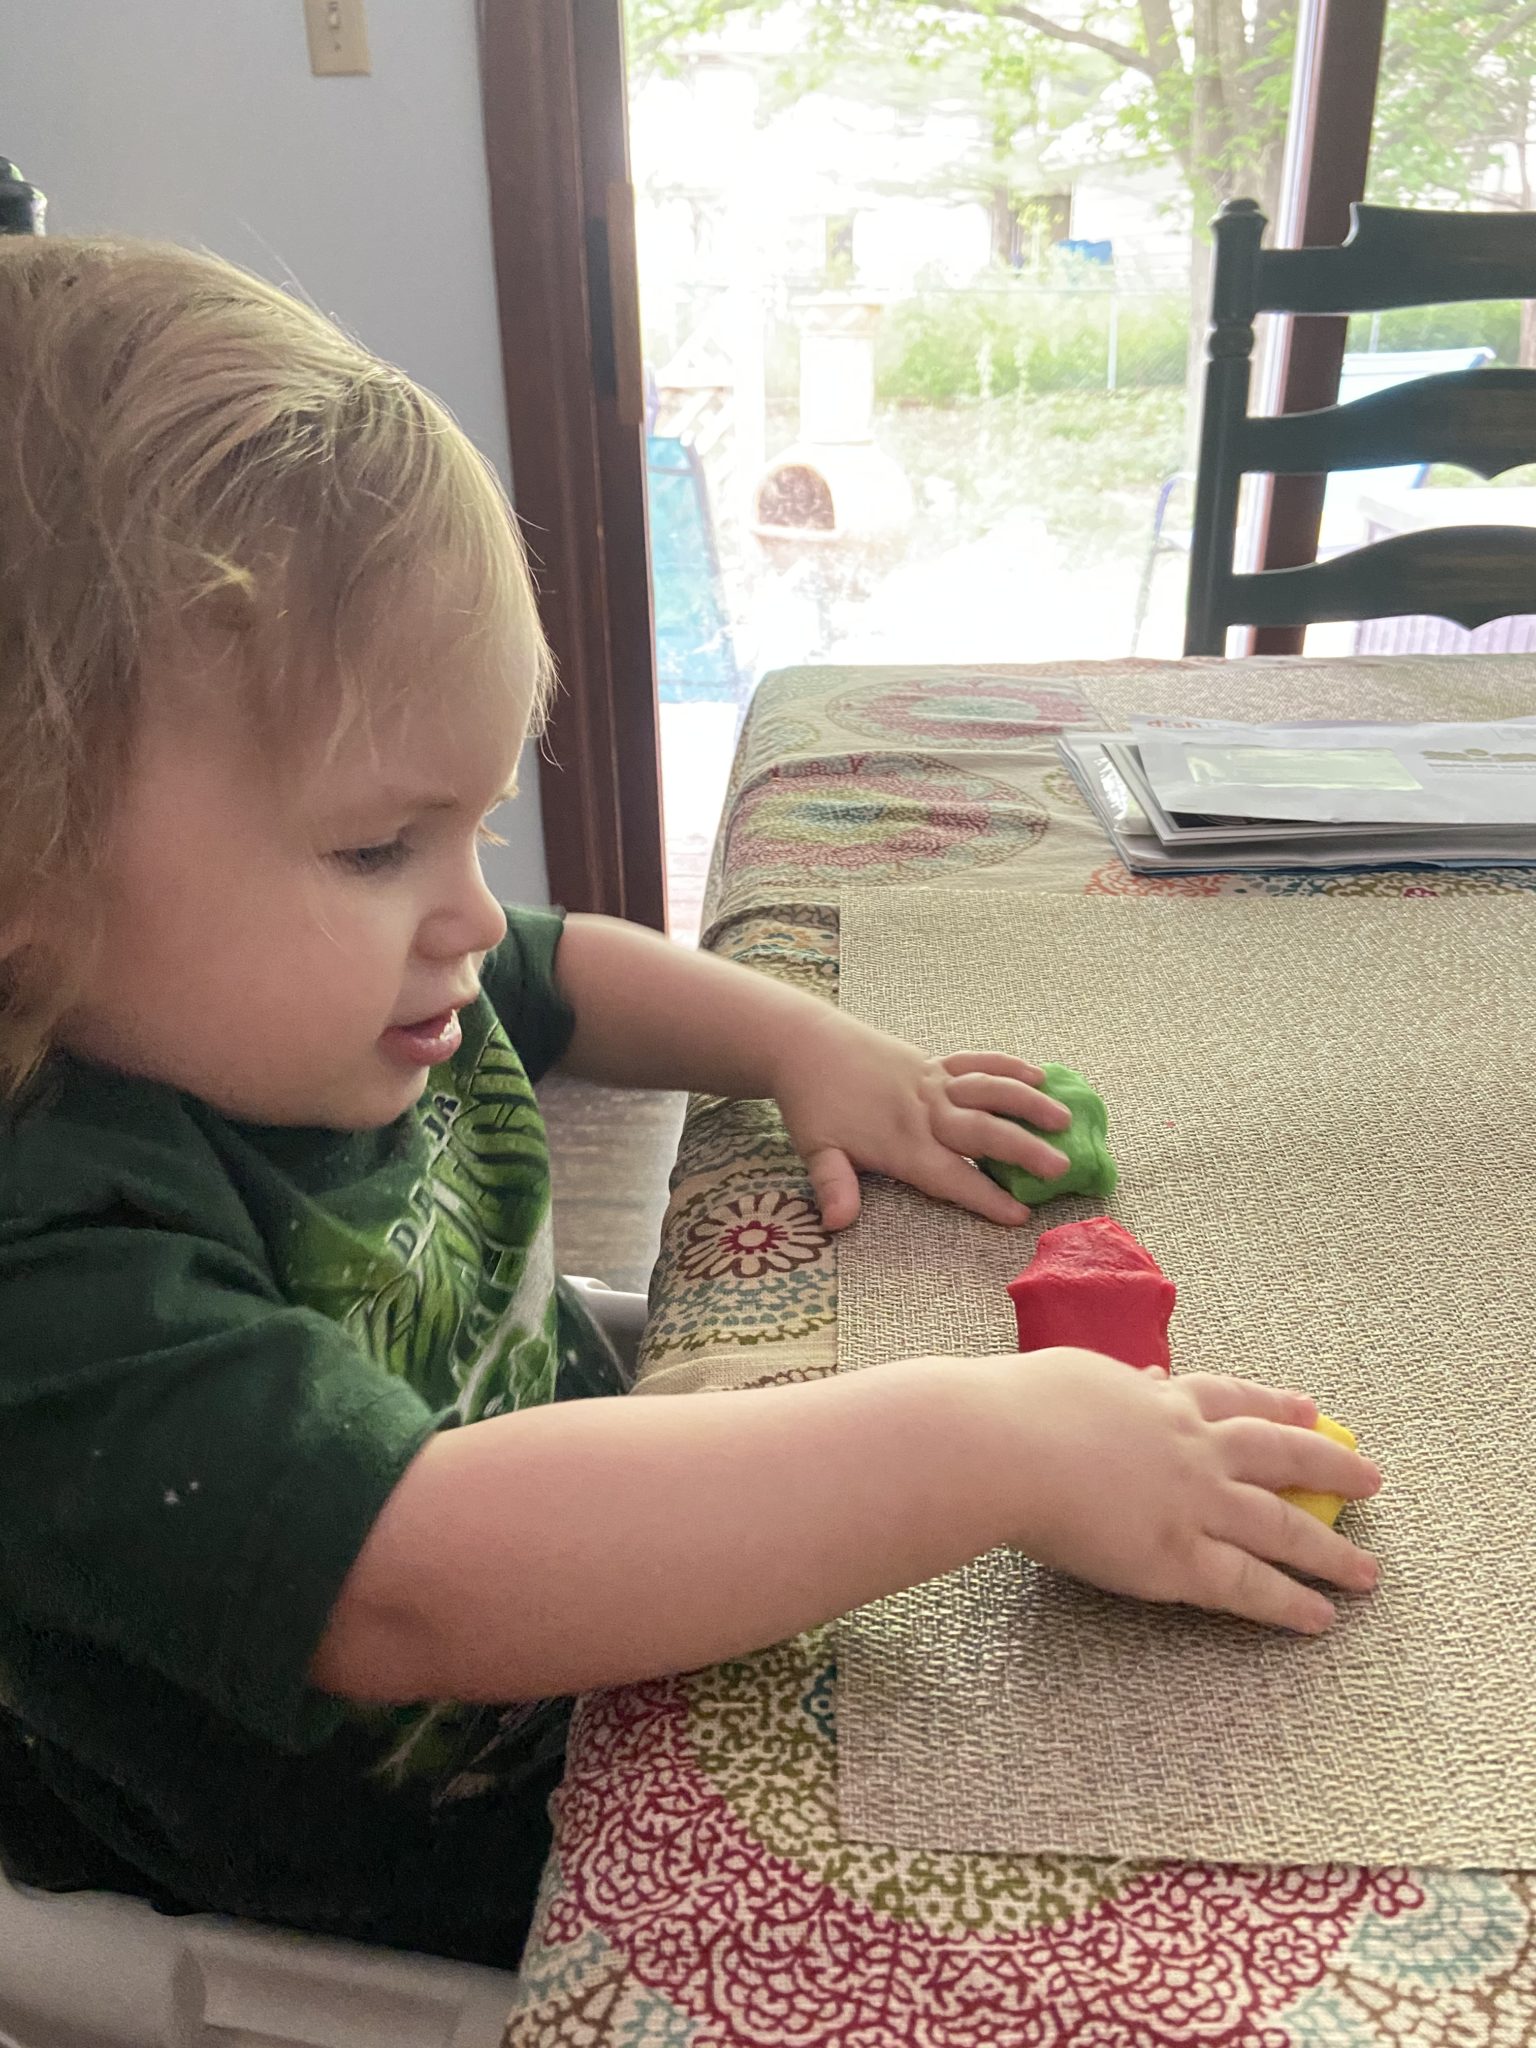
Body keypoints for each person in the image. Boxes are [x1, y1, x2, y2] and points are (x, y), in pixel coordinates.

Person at [0, 237, 1381, 1971]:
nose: (464, 910)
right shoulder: (52, 1275)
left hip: (578, 1568)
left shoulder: (313, 989)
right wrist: (997, 1447)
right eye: (374, 847)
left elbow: (560, 966)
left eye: (470, 826)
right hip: (423, 1855)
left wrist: (813, 1050)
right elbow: (418, 1571)